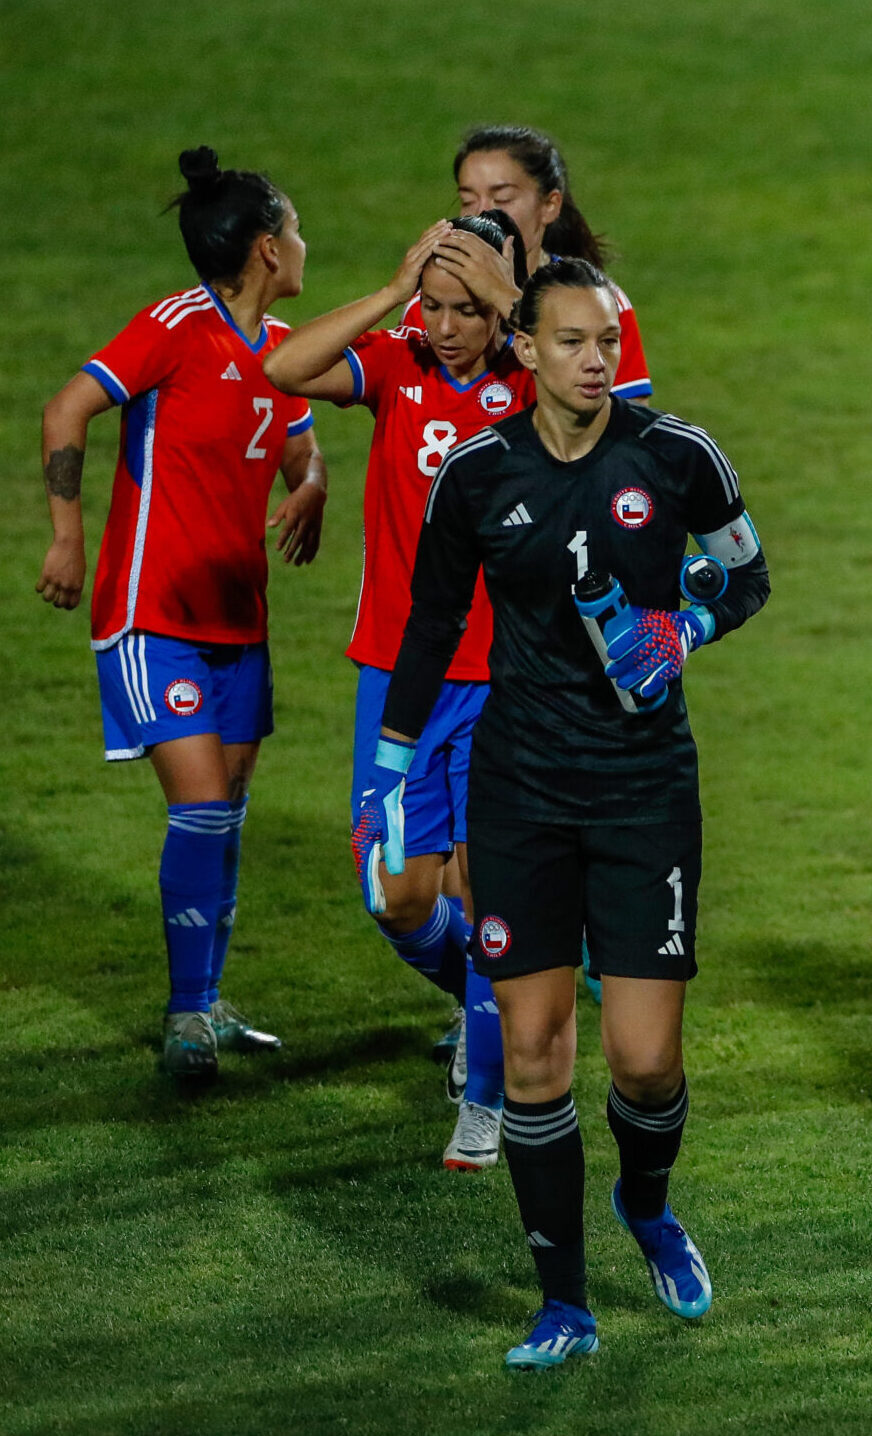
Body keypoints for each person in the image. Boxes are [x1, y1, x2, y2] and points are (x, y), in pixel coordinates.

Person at [369, 259, 769, 1369]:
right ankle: (564, 1301)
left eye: (608, 341)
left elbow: (747, 573)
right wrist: (390, 772)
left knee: (643, 1063)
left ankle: (648, 1207)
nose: (598, 361)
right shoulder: (476, 475)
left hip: (645, 789)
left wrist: (680, 630)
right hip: (522, 791)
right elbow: (431, 621)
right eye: (574, 342)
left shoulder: (676, 456)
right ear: (527, 350)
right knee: (537, 1056)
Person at [34, 147, 328, 1081]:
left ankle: (205, 1003)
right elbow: (66, 411)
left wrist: (312, 486)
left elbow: (301, 452)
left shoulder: (283, 354)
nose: (303, 242)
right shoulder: (175, 326)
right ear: (262, 248)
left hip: (240, 624)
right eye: (293, 227)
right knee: (201, 809)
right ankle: (185, 1018)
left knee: (227, 813)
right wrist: (68, 538)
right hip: (151, 612)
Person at [266, 212, 530, 1168]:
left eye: (470, 309)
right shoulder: (398, 364)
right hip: (400, 675)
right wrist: (393, 289)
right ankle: (493, 998)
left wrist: (515, 307)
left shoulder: (537, 384)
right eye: (438, 305)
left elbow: (616, 409)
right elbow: (285, 369)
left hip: (507, 681)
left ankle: (487, 1098)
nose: (449, 326)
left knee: (490, 891)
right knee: (393, 893)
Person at [397, 126, 652, 402]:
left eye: (503, 198)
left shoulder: (602, 301)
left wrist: (499, 292)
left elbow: (627, 426)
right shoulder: (431, 304)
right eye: (467, 200)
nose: (483, 213)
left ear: (550, 205)